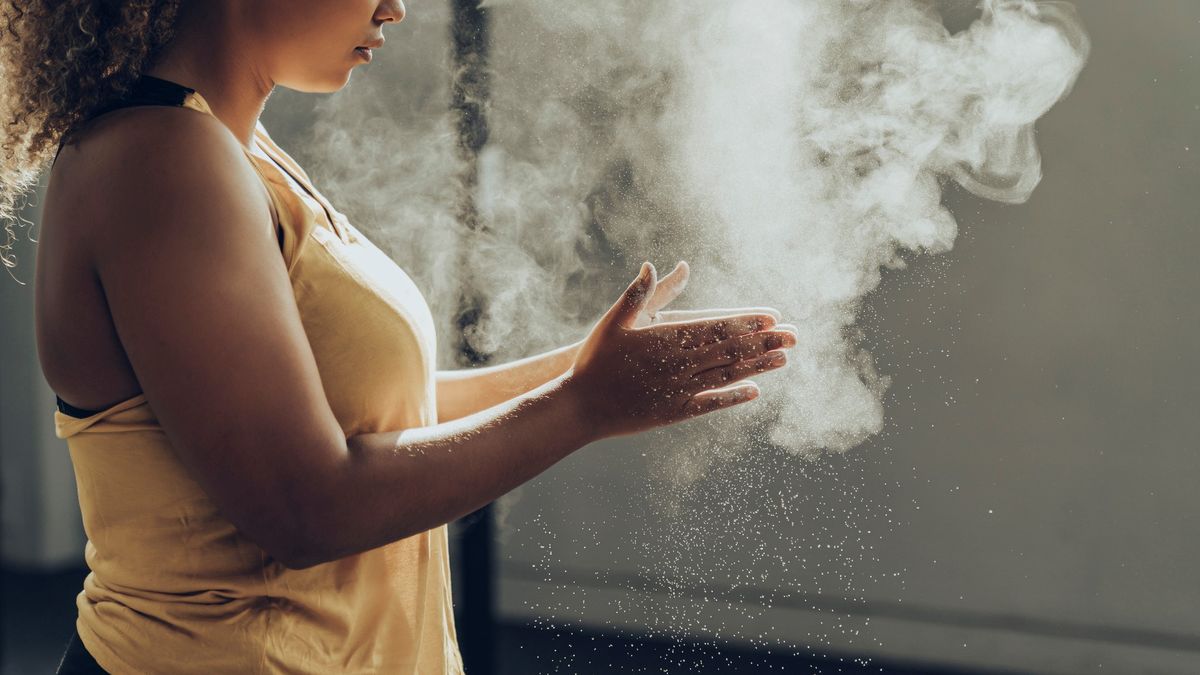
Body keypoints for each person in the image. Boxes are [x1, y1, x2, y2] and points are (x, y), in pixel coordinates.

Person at [0, 1, 797, 672]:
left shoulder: (238, 149)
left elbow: (366, 414)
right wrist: (584, 404)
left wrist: (588, 372)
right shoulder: (158, 160)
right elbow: (304, 506)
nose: (395, 7)